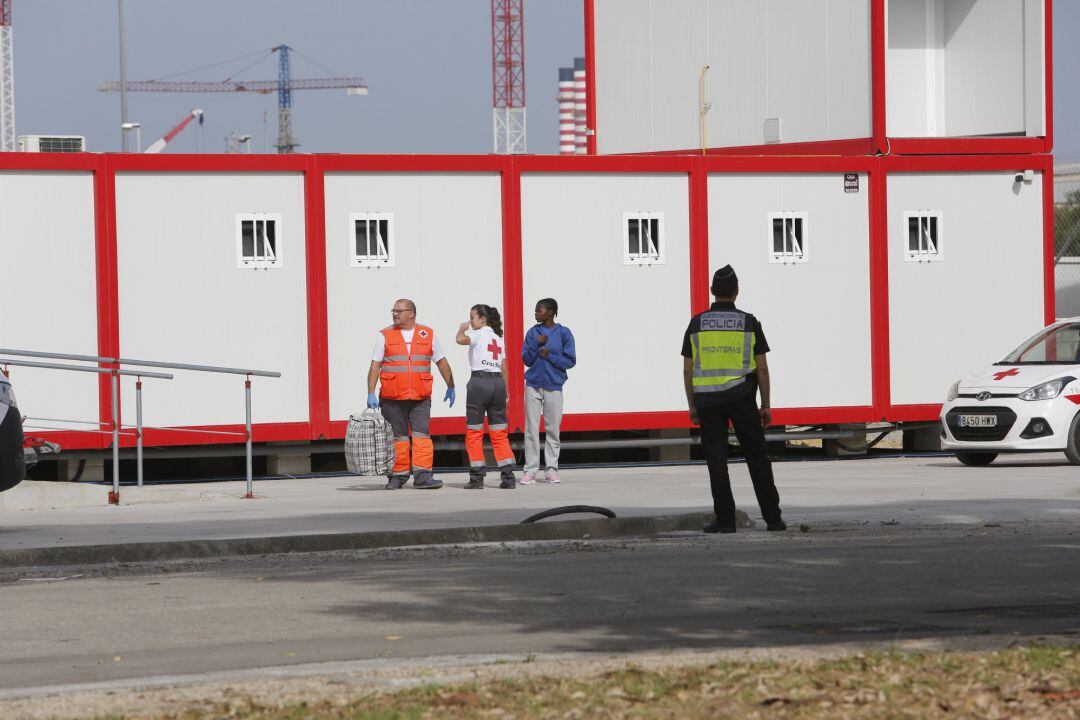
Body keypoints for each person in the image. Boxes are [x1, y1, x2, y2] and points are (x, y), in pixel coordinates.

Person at [681, 266, 786, 533]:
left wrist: (692, 406)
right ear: (737, 292)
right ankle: (773, 518)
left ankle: (725, 520)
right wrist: (766, 405)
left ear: (712, 292)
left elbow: (687, 370)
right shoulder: (749, 322)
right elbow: (762, 368)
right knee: (757, 456)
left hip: (708, 401)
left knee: (717, 460)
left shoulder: (697, 323)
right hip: (742, 398)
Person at [367, 298, 456, 490]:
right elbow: (375, 365)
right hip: (392, 398)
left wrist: (451, 385)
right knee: (398, 438)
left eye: (399, 310)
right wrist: (371, 392)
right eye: (393, 310)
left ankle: (423, 476)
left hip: (420, 398)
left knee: (421, 436)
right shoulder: (385, 335)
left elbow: (441, 361)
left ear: (412, 313)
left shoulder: (428, 334)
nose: (395, 314)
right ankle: (397, 476)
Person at [456, 304, 516, 489]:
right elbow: (504, 367)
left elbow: (460, 340)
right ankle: (508, 477)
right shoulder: (498, 338)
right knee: (499, 433)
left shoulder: (479, 333)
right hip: (498, 384)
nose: (470, 321)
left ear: (482, 320)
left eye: (472, 317)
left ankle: (477, 478)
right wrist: (505, 390)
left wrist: (462, 328)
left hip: (479, 383)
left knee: (474, 432)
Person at [521, 298, 576, 484]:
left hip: (554, 385)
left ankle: (552, 469)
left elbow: (570, 361)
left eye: (539, 310)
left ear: (550, 312)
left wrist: (550, 356)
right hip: (533, 385)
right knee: (531, 429)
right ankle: (530, 470)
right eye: (535, 310)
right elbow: (526, 360)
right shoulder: (532, 333)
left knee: (553, 429)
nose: (535, 313)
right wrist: (537, 345)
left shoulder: (563, 333)